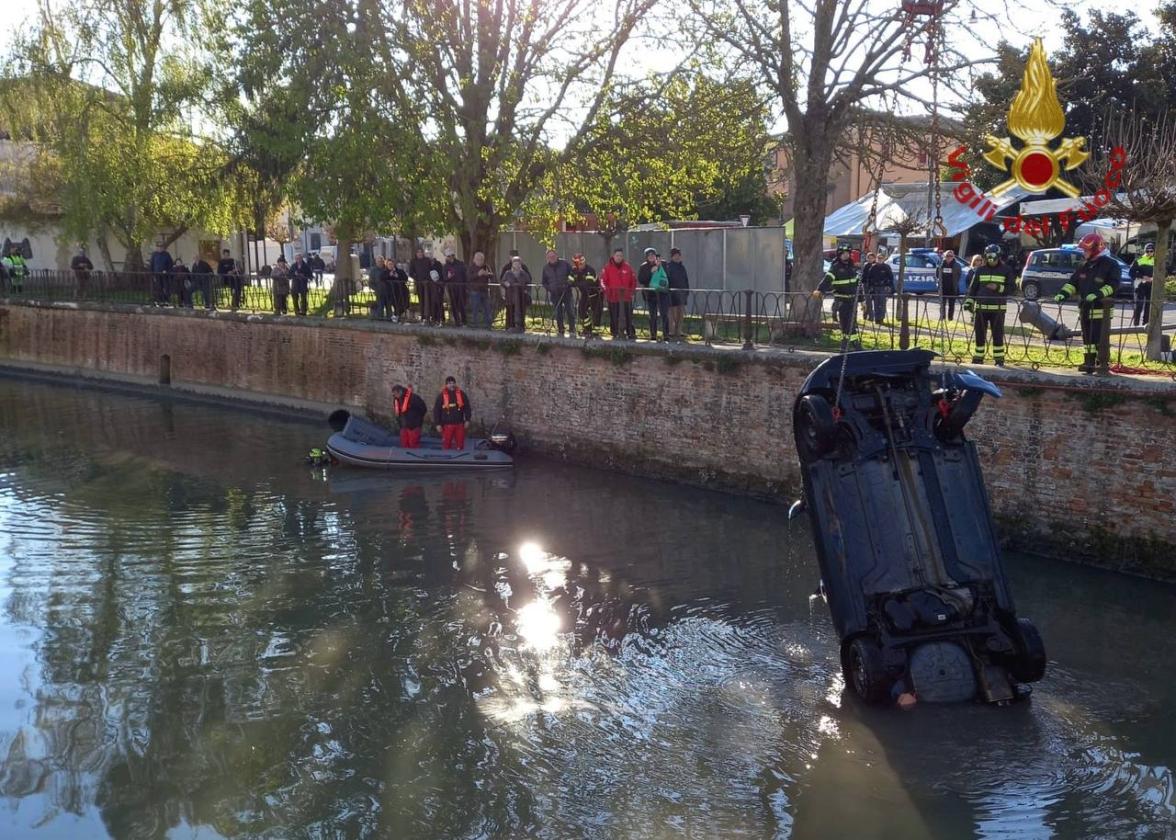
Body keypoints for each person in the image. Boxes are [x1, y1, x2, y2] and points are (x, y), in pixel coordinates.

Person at [1054, 232, 1120, 374]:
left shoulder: (1110, 265)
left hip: (1101, 310)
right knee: (1087, 339)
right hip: (1085, 308)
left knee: (1099, 338)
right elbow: (1073, 283)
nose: (1083, 253)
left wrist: (1098, 294)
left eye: (1086, 250)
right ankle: (1088, 362)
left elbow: (1113, 285)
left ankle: (1101, 364)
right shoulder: (1084, 265)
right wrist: (1063, 293)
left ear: (1095, 249)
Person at [963, 244, 1016, 366]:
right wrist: (969, 301)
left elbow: (1012, 288)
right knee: (979, 334)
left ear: (998, 256)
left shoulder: (1006, 270)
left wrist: (998, 287)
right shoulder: (980, 270)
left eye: (992, 256)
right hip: (981, 309)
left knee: (997, 335)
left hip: (998, 309)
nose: (990, 259)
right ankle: (978, 358)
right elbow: (973, 288)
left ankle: (999, 360)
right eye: (988, 256)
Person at [814, 243, 861, 349]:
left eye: (847, 253)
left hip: (852, 300)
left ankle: (849, 344)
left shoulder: (852, 268)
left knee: (851, 323)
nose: (846, 255)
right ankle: (850, 344)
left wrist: (862, 301)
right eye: (843, 253)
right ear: (839, 255)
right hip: (842, 301)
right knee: (846, 323)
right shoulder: (835, 268)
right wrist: (820, 290)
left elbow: (858, 285)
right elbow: (827, 280)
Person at [601, 247, 637, 339]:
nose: (619, 257)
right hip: (613, 297)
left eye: (620, 255)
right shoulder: (607, 267)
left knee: (628, 316)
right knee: (614, 316)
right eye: (617, 255)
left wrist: (631, 292)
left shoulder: (627, 267)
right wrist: (607, 291)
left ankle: (630, 333)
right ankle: (615, 333)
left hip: (626, 297)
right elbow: (603, 281)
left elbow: (633, 280)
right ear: (614, 256)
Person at [637, 248, 670, 341]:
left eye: (653, 255)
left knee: (664, 314)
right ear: (646, 257)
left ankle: (666, 335)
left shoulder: (663, 263)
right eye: (649, 255)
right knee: (652, 315)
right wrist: (650, 272)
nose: (651, 257)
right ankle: (653, 335)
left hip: (662, 293)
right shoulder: (643, 266)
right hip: (650, 294)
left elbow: (668, 276)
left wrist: (660, 267)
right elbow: (641, 280)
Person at [541, 248, 576, 337]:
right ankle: (561, 330)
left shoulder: (565, 264)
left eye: (553, 256)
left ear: (556, 256)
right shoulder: (546, 268)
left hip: (566, 292)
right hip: (555, 294)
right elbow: (544, 282)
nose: (552, 258)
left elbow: (572, 274)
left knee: (570, 311)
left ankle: (572, 329)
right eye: (550, 257)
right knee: (558, 313)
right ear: (547, 258)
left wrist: (569, 283)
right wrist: (550, 288)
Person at [433, 375, 472, 450]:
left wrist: (467, 420)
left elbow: (467, 408)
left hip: (459, 424)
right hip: (447, 425)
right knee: (446, 445)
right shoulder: (441, 396)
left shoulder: (462, 394)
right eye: (449, 383)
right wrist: (437, 424)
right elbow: (436, 411)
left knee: (460, 444)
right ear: (446, 385)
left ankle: (459, 454)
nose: (452, 385)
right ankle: (446, 456)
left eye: (453, 383)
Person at [570, 253, 601, 338]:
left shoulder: (590, 270)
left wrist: (576, 282)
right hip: (585, 294)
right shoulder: (574, 270)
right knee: (581, 311)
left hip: (596, 294)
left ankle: (596, 332)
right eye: (579, 264)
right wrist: (572, 280)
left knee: (596, 313)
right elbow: (570, 281)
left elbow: (588, 284)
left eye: (582, 263)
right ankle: (588, 329)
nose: (581, 265)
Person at [860, 250, 894, 325]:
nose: (880, 259)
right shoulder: (873, 267)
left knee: (882, 304)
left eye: (881, 258)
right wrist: (870, 288)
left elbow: (891, 278)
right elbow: (869, 278)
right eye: (878, 258)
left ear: (884, 259)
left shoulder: (886, 267)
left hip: (883, 287)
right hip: (875, 287)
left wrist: (890, 288)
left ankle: (881, 318)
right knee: (876, 304)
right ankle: (876, 319)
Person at [391, 384, 428, 449]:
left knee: (413, 444)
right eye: (394, 395)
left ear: (400, 391)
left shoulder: (414, 398)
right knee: (404, 444)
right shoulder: (396, 400)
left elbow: (423, 408)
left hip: (414, 426)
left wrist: (417, 419)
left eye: (396, 394)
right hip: (403, 426)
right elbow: (398, 412)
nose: (395, 396)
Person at [501, 255, 532, 333]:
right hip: (510, 296)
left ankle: (520, 327)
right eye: (515, 263)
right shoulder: (508, 273)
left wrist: (526, 290)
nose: (516, 265)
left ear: (520, 264)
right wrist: (505, 283)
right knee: (510, 311)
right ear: (512, 264)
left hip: (521, 297)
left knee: (521, 311)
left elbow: (529, 283)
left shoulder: (524, 273)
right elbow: (502, 282)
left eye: (518, 263)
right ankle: (509, 327)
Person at [665, 247, 690, 341]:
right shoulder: (668, 267)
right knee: (672, 314)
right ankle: (671, 331)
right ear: (672, 257)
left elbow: (686, 280)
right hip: (672, 294)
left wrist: (687, 291)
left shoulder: (682, 267)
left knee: (681, 314)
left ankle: (679, 331)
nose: (677, 257)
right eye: (675, 255)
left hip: (682, 294)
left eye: (678, 255)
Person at [1130, 242, 1155, 327]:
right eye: (1147, 251)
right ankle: (1136, 325)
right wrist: (1143, 276)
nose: (1149, 253)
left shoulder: (1156, 261)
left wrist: (1153, 278)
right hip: (1140, 285)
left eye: (1151, 251)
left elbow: (1161, 273)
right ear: (1145, 251)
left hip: (1151, 285)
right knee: (1139, 305)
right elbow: (1131, 273)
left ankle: (1145, 325)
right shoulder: (1138, 260)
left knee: (1148, 306)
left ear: (1154, 251)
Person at [468, 251, 494, 329]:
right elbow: (468, 278)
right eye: (478, 259)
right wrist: (478, 274)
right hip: (475, 291)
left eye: (482, 259)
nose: (480, 261)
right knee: (475, 308)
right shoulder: (471, 267)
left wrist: (487, 274)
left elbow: (492, 275)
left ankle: (488, 325)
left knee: (487, 308)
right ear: (474, 260)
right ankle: (474, 324)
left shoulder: (486, 266)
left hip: (485, 290)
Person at [442, 248, 468, 327]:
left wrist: (466, 286)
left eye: (451, 256)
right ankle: (457, 322)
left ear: (453, 256)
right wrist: (448, 277)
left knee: (462, 304)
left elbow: (464, 275)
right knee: (454, 305)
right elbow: (444, 278)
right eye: (448, 256)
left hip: (461, 287)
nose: (449, 257)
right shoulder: (446, 266)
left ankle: (464, 321)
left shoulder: (460, 264)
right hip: (452, 288)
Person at [937, 249, 964, 320]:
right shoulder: (941, 264)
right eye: (947, 256)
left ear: (953, 256)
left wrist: (955, 283)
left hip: (952, 288)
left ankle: (950, 318)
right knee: (942, 304)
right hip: (943, 288)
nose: (949, 257)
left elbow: (959, 275)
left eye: (951, 256)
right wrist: (938, 283)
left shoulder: (957, 265)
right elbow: (937, 274)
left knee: (951, 305)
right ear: (944, 256)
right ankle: (942, 318)